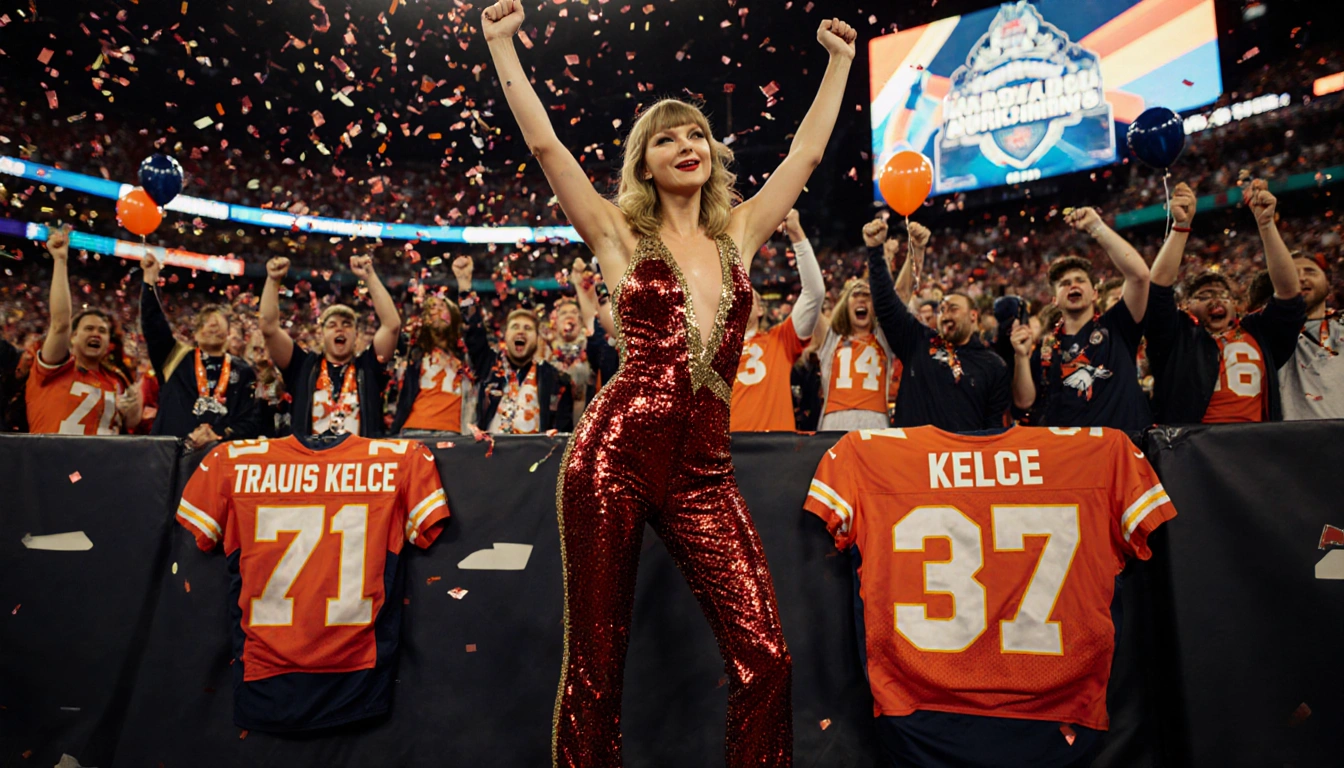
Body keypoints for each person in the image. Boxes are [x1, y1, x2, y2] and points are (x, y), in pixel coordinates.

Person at [482, 1, 855, 764]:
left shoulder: (741, 230)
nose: (687, 145)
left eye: (696, 134)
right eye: (666, 138)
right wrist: (501, 46)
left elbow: (809, 153)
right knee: (597, 665)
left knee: (766, 658)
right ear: (643, 164)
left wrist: (841, 62)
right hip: (613, 456)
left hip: (704, 471)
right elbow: (546, 145)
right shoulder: (618, 232)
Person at [1145, 180, 1306, 424]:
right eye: (1204, 295)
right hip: (1192, 442)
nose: (1215, 300)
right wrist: (1181, 227)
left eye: (1223, 295)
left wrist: (1266, 226)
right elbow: (1157, 291)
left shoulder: (1259, 332)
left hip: (1254, 440)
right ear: (1186, 306)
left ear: (1235, 305)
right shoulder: (1177, 336)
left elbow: (1289, 294)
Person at [1010, 207, 1152, 432]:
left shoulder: (1117, 326)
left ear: (1095, 293)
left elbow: (1140, 276)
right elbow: (1024, 402)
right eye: (1064, 283)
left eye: (1080, 280)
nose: (1073, 285)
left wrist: (1096, 227)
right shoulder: (1046, 347)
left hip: (1120, 446)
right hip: (1071, 449)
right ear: (1055, 300)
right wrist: (1020, 356)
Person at [864, 218, 1010, 431]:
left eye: (953, 309)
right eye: (942, 310)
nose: (945, 315)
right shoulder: (918, 341)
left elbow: (992, 428)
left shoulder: (993, 365)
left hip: (961, 452)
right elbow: (886, 305)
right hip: (914, 449)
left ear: (973, 316)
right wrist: (875, 251)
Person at [259, 254, 401, 437]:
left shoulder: (368, 367)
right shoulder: (303, 367)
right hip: (311, 454)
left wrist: (370, 277)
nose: (340, 329)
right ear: (321, 335)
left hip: (359, 455)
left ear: (356, 335)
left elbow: (392, 325)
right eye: (332, 325)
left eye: (347, 324)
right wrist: (273, 281)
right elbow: (269, 328)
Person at [139, 252, 261, 448]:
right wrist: (150, 281)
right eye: (206, 322)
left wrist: (219, 434)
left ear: (228, 333)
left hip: (218, 456)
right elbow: (153, 324)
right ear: (195, 334)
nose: (212, 325)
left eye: (218, 323)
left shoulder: (243, 370)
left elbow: (250, 421)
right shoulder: (175, 357)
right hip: (170, 454)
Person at [26, 225, 140, 434]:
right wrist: (60, 260)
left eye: (102, 331)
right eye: (88, 328)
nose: (96, 333)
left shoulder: (116, 380)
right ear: (73, 337)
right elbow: (60, 324)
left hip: (102, 456)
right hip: (52, 455)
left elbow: (131, 423)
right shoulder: (55, 367)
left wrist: (133, 408)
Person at [730, 208, 825, 431]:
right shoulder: (714, 349)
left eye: (748, 295)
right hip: (728, 446)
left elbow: (814, 294)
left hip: (775, 444)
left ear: (760, 309)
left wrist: (797, 234)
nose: (741, 298)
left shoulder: (780, 340)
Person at [391, 260, 475, 435]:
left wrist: (464, 284)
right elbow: (391, 325)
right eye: (431, 308)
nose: (436, 311)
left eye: (442, 306)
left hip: (453, 432)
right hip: (414, 430)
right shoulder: (414, 350)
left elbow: (475, 326)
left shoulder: (465, 355)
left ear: (453, 315)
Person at [815, 276, 896, 431]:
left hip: (875, 420)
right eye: (856, 294)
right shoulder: (831, 340)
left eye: (867, 295)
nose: (862, 299)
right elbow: (812, 300)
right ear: (845, 304)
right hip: (835, 420)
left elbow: (901, 295)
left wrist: (912, 261)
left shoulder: (884, 339)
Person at [1280, 253, 1343, 419]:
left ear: (1328, 282)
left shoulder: (1341, 325)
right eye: (1291, 273)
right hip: (1294, 433)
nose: (1301, 278)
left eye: (1310, 272)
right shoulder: (1266, 332)